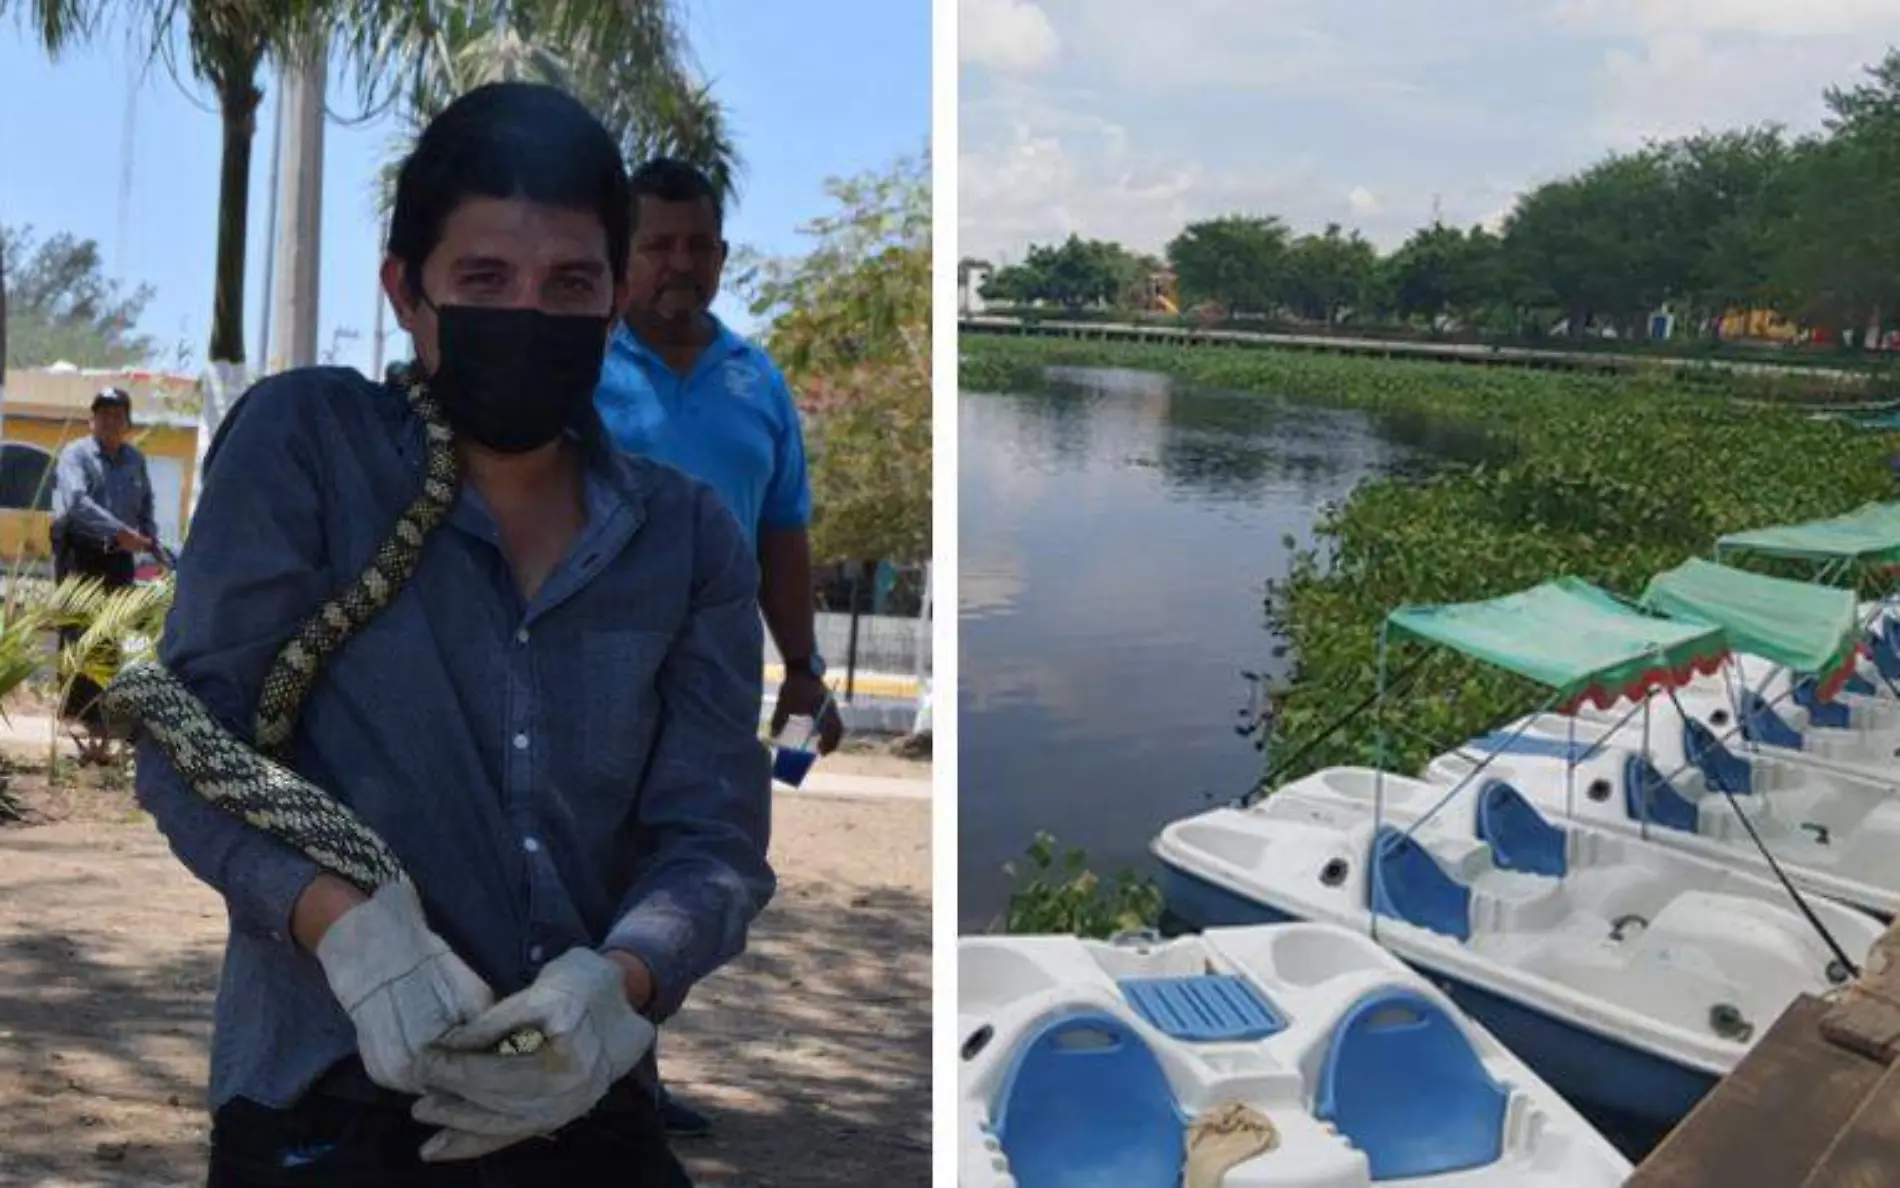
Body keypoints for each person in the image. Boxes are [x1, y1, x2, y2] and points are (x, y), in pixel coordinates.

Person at [133, 81, 774, 1185]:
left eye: (568, 283)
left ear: (615, 297)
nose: (526, 313)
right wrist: (345, 930)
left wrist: (616, 984)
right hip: (329, 1094)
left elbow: (710, 841)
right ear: (405, 293)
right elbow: (189, 747)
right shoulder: (311, 450)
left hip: (578, 1094)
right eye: (484, 279)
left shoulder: (688, 538)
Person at [593, 157, 842, 1138]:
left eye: (697, 245)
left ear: (724, 255)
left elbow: (784, 534)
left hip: (716, 676)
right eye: (657, 245)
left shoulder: (756, 378)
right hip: (590, 662)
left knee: (682, 867)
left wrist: (806, 668)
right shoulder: (580, 368)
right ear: (624, 255)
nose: (678, 263)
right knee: (580, 859)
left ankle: (629, 1073)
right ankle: (576, 1074)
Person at [49, 386, 159, 729]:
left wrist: (149, 541)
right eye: (102, 414)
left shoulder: (135, 460)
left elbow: (146, 506)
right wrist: (119, 532)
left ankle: (98, 713)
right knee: (78, 629)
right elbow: (78, 503)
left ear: (127, 422)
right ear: (91, 419)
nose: (109, 421)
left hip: (120, 556)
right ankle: (72, 713)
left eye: (117, 415)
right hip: (80, 550)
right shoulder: (76, 454)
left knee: (110, 631)